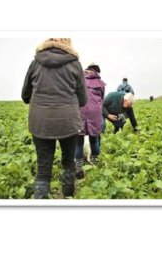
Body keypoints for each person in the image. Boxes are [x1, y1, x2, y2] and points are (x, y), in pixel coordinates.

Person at [21, 38, 88, 199]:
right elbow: (83, 99)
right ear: (67, 43)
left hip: (41, 123)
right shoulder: (75, 64)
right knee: (68, 162)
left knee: (43, 168)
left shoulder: (36, 63)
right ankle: (68, 198)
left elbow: (25, 95)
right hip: (68, 122)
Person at [75, 62, 105, 180]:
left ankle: (78, 169)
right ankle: (94, 164)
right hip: (95, 112)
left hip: (80, 109)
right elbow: (101, 98)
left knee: (78, 140)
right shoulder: (100, 83)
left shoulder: (79, 79)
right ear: (97, 72)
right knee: (94, 138)